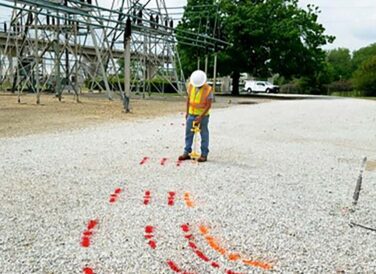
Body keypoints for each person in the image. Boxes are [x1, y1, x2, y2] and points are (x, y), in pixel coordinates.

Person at [178, 70, 213, 163]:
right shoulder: (191, 86)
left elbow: (209, 105)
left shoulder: (208, 89)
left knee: (204, 134)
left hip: (203, 116)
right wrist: (187, 112)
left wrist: (201, 116)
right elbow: (188, 100)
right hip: (191, 114)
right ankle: (186, 152)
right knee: (188, 134)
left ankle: (204, 154)